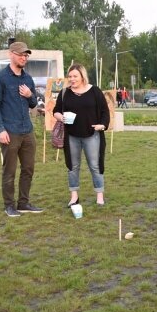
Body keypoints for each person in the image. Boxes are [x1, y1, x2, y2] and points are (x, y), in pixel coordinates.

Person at [0, 41, 42, 217]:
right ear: (10, 54)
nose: (24, 58)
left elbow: (34, 103)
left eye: (26, 55)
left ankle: (23, 203)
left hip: (27, 130)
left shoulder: (28, 79)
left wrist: (30, 95)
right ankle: (9, 205)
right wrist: (0, 129)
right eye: (21, 54)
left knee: (28, 169)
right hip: (10, 131)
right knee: (9, 170)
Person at [52, 64, 110, 207]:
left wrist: (102, 125)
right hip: (71, 136)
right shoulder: (64, 93)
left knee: (95, 165)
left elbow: (105, 111)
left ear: (82, 76)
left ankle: (99, 195)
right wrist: (61, 117)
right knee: (73, 166)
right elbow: (56, 111)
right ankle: (74, 196)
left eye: (75, 76)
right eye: (70, 76)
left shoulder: (95, 91)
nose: (72, 79)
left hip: (92, 135)